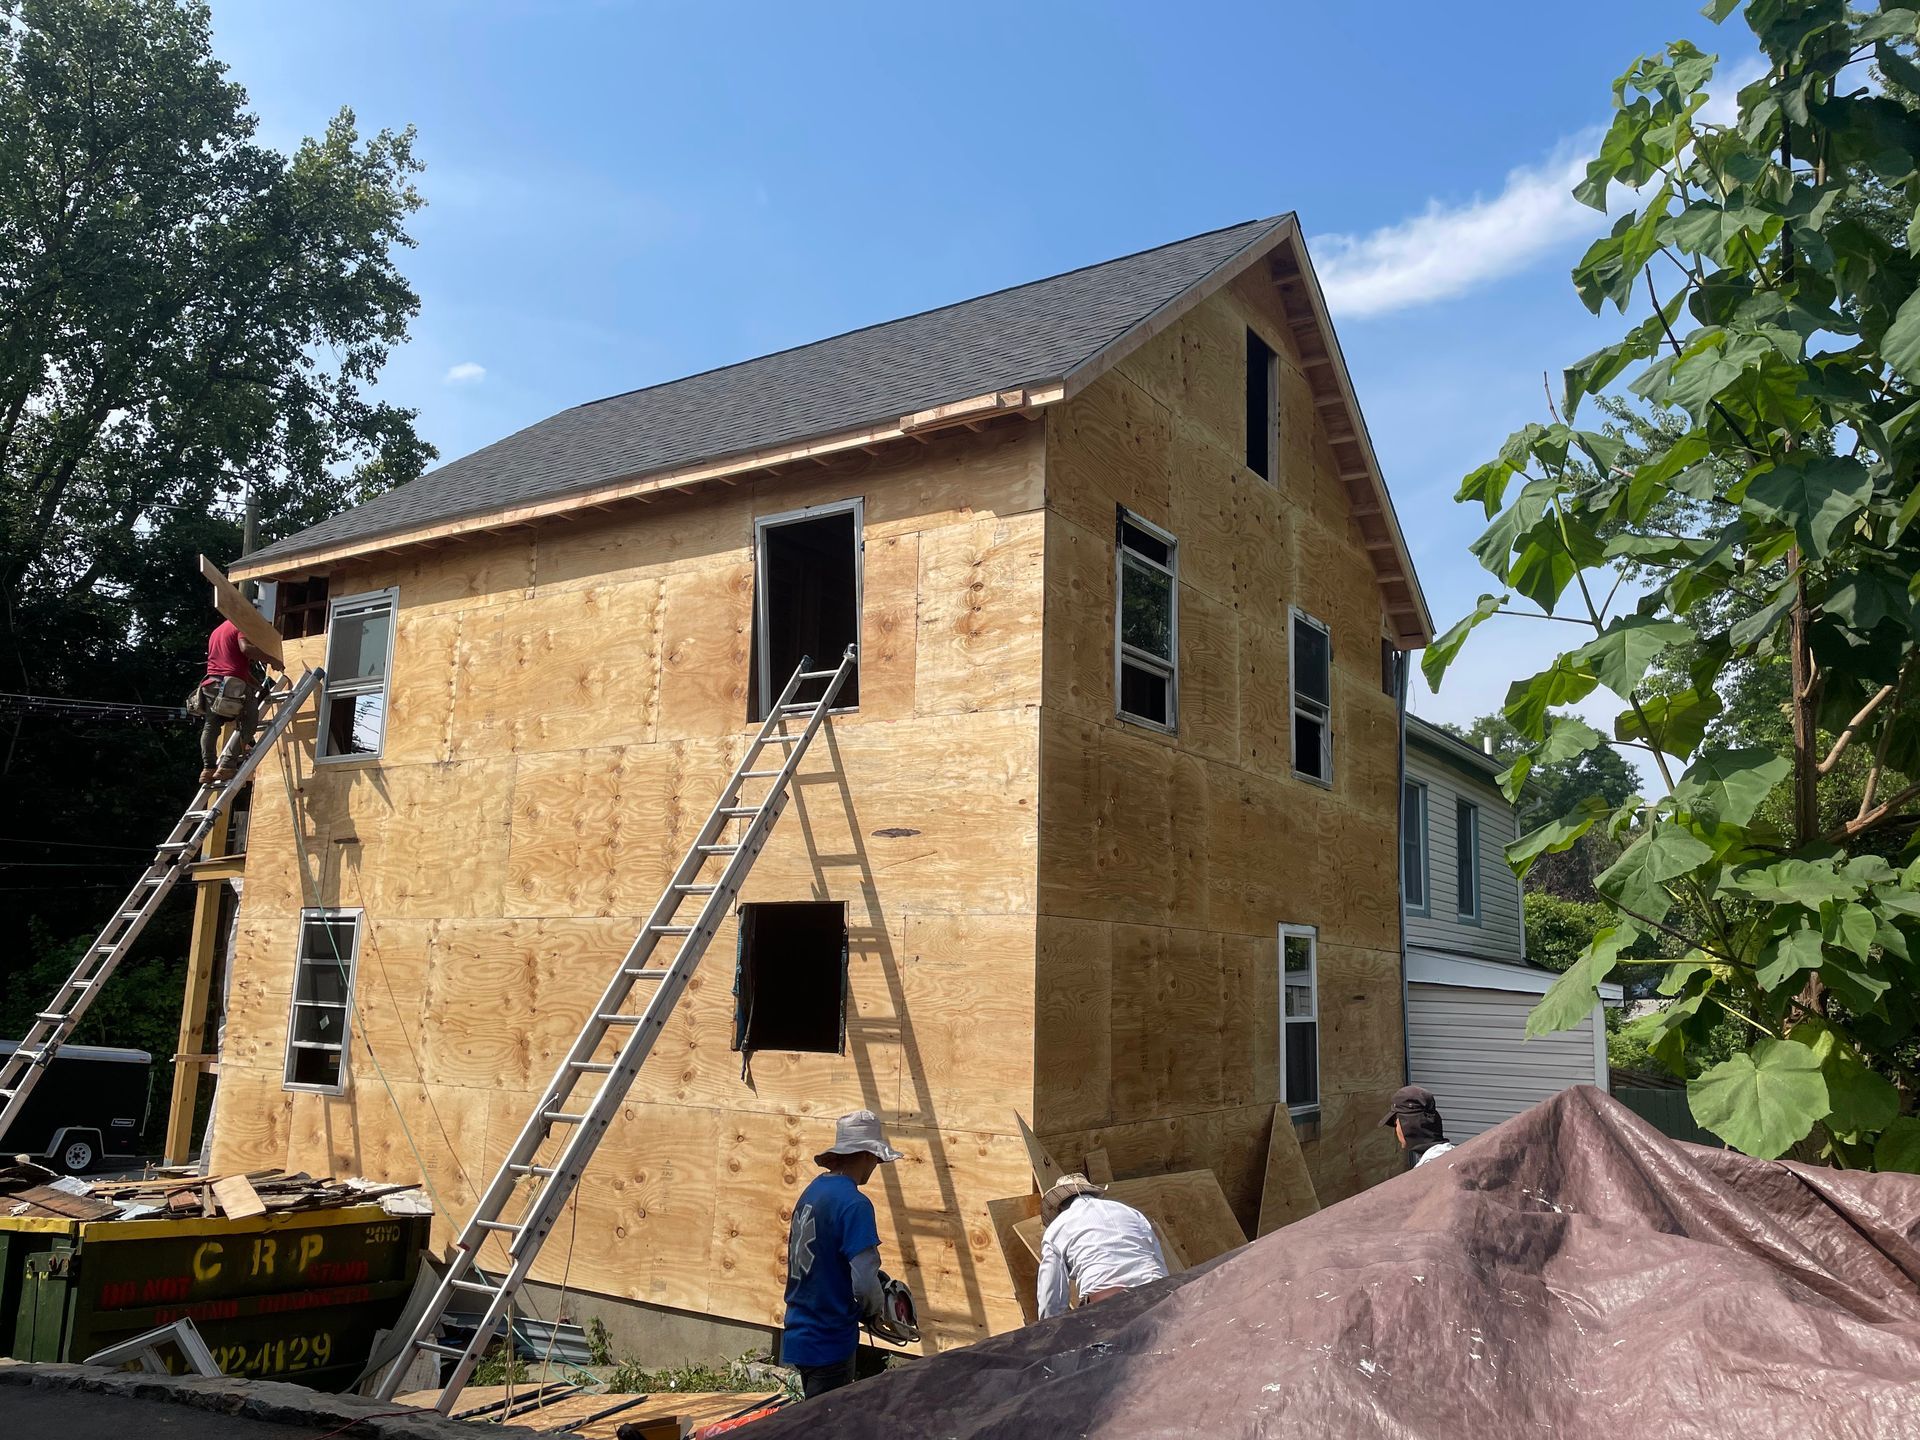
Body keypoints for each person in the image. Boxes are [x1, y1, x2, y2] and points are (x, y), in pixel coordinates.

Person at [782, 1109, 901, 1399]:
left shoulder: (813, 1191)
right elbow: (863, 1281)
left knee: (809, 1419)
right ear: (864, 1154)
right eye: (874, 1157)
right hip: (830, 1339)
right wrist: (873, 1309)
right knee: (826, 1424)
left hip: (799, 1331)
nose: (875, 1165)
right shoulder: (855, 1204)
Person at [1035, 1173, 1168, 1321]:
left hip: (1107, 1302)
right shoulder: (1131, 1212)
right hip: (1157, 1289)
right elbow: (1156, 1256)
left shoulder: (1056, 1228)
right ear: (1093, 1194)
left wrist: (1050, 1329)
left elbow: (1052, 1295)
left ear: (1060, 1207)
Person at [194, 617, 275, 785]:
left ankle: (208, 768)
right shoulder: (242, 624)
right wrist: (272, 659)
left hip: (211, 684)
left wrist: (258, 686)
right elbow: (246, 649)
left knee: (211, 725)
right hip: (233, 686)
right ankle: (226, 765)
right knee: (250, 722)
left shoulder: (217, 632)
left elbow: (230, 665)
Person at [1382, 1084, 1456, 1168]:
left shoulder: (1427, 1171)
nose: (1396, 1130)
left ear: (1409, 1125)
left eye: (1396, 1124)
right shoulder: (1454, 1155)